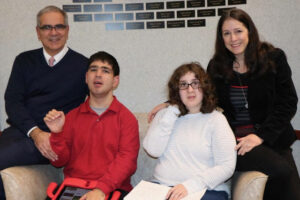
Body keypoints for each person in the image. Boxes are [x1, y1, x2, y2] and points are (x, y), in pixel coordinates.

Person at [206, 8, 300, 200]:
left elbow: (288, 102)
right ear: (221, 38)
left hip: (273, 139)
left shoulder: (274, 58)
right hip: (239, 145)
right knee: (282, 172)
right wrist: (169, 104)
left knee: (293, 191)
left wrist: (260, 136)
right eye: (226, 33)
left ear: (249, 31)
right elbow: (203, 96)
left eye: (238, 31)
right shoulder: (217, 66)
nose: (233, 38)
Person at [0, 5, 88, 199]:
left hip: (54, 141)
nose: (54, 32)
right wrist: (35, 132)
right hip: (22, 132)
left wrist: (169, 103)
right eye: (47, 27)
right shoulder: (24, 60)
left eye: (59, 27)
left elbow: (102, 95)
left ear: (67, 30)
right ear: (38, 32)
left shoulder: (83, 65)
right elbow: (12, 102)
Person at [44, 51, 140, 200]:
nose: (98, 75)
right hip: (74, 188)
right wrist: (57, 133)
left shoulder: (127, 119)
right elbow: (58, 162)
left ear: (115, 81)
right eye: (93, 70)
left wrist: (101, 190)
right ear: (86, 78)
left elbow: (126, 162)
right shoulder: (71, 116)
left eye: (105, 70)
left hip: (112, 189)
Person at [143, 63, 236, 200]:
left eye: (195, 83)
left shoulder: (216, 120)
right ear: (176, 90)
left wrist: (189, 186)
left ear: (204, 87)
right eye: (183, 85)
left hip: (205, 190)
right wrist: (173, 111)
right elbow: (153, 150)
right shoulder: (165, 115)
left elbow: (227, 165)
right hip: (162, 187)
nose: (190, 90)